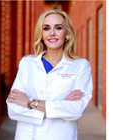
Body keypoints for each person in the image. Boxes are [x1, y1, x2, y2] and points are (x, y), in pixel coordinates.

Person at [6, 9, 93, 140]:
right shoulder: (27, 63)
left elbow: (76, 109)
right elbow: (13, 107)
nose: (52, 33)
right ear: (41, 34)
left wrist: (30, 103)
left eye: (58, 28)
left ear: (67, 34)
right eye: (46, 28)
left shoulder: (81, 66)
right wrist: (61, 106)